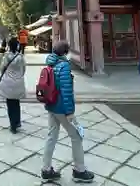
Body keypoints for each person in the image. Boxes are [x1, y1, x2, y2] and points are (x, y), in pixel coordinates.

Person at [41, 40, 94, 183]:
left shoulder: (50, 63)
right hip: (61, 108)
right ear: (65, 52)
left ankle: (46, 169)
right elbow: (66, 90)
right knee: (76, 136)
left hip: (51, 105)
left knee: (51, 136)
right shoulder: (64, 66)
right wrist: (70, 112)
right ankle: (79, 170)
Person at [0, 37, 26, 133]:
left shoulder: (6, 57)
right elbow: (24, 70)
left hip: (8, 83)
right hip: (18, 83)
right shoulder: (21, 57)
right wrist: (19, 76)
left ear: (9, 46)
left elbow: (2, 68)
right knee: (16, 103)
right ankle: (17, 121)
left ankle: (13, 125)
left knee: (10, 104)